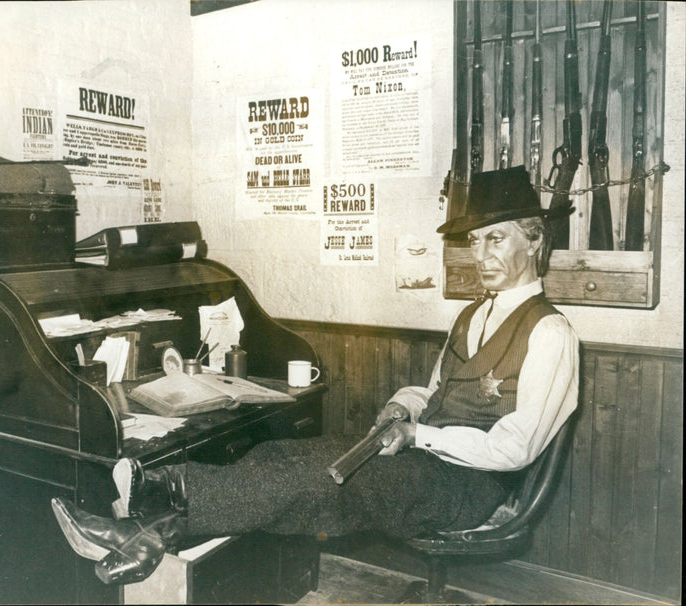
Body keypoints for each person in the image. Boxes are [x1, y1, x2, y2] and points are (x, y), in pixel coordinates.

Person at [51, 166, 579, 585]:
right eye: (476, 241)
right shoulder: (472, 315)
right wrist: (404, 405)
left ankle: (152, 505)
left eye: (496, 240)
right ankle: (147, 531)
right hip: (425, 458)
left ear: (534, 241)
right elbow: (434, 392)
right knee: (284, 457)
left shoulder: (551, 333)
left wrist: (419, 435)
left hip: (473, 484)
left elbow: (517, 448)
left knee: (326, 483)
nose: (481, 255)